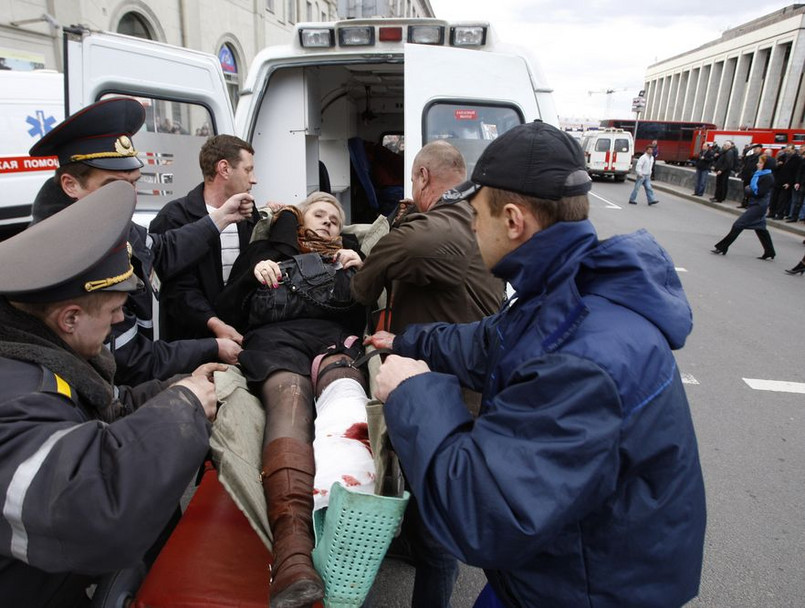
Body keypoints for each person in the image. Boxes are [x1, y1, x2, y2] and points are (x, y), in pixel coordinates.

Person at [366, 121, 706, 607]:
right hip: (548, 569)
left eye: (474, 214)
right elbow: (490, 342)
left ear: (512, 220)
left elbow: (482, 512)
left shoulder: (583, 361)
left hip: (583, 590)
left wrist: (412, 391)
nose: (471, 226)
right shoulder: (565, 295)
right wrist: (409, 341)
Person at [0, 181, 223, 608]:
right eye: (115, 310)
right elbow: (95, 507)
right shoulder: (17, 395)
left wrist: (168, 390)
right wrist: (185, 407)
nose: (122, 318)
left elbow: (91, 419)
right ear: (69, 318)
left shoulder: (40, 360)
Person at [351, 140, 504, 608]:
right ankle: (412, 541)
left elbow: (368, 284)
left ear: (421, 177)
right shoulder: (477, 218)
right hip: (457, 380)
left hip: (450, 392)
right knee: (423, 487)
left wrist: (383, 248)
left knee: (440, 522)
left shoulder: (434, 229)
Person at [28, 97, 253, 385]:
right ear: (71, 185)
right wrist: (212, 347)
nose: (128, 198)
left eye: (133, 183)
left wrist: (220, 218)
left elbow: (161, 249)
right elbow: (131, 361)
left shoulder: (107, 219)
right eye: (114, 187)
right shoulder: (69, 256)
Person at [215, 192, 370, 608]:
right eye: (320, 215)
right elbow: (229, 308)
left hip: (334, 342)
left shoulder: (350, 257)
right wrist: (253, 273)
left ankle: (344, 544)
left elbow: (362, 317)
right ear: (302, 218)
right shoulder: (267, 250)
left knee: (348, 403)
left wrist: (364, 275)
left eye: (335, 220)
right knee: (292, 400)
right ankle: (293, 552)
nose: (328, 224)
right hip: (276, 340)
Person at [149, 135, 260, 343]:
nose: (254, 179)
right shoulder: (174, 217)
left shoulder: (250, 216)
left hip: (241, 340)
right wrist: (217, 326)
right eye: (248, 170)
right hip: (191, 346)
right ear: (224, 169)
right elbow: (177, 292)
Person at [711, 153, 776, 259]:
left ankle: (723, 246)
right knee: (761, 229)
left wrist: (748, 190)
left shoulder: (768, 177)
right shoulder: (760, 174)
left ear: (766, 165)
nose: (758, 164)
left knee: (738, 224)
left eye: (760, 163)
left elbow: (760, 193)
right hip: (756, 204)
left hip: (759, 206)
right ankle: (770, 251)